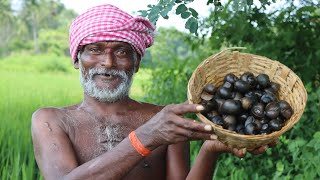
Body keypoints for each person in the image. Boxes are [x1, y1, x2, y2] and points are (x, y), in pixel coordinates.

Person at [31, 4, 275, 180]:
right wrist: (146, 137)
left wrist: (210, 150)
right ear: (77, 59)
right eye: (95, 50)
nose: (108, 62)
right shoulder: (52, 120)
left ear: (136, 62)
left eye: (122, 51)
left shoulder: (163, 120)